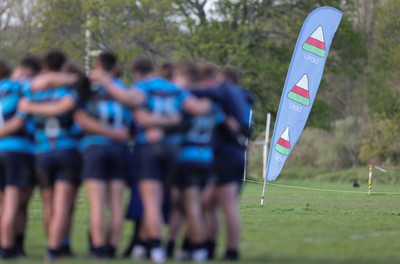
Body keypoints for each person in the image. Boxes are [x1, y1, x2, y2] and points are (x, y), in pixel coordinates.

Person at [90, 55, 210, 263]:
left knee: (151, 203)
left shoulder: (144, 87)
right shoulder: (175, 89)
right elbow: (198, 108)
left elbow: (130, 101)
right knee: (172, 201)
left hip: (148, 149)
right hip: (172, 150)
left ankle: (155, 249)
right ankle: (196, 251)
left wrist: (105, 81)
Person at [18, 50, 82, 261]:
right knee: (63, 205)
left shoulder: (32, 94)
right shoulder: (69, 93)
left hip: (41, 152)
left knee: (49, 204)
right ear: (64, 67)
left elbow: (24, 86)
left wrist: (32, 106)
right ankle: (55, 248)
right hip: (66, 150)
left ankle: (54, 244)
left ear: (45, 69)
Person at [193, 62, 254, 260]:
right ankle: (209, 246)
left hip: (227, 156)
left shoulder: (228, 98)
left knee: (227, 205)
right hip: (230, 156)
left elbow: (236, 128)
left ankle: (231, 250)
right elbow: (247, 130)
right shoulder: (242, 99)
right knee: (207, 202)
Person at [76, 51, 130, 259]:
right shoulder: (123, 89)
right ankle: (112, 247)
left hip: (95, 146)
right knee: (116, 203)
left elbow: (81, 118)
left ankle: (98, 248)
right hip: (119, 148)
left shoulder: (90, 89)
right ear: (116, 68)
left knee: (97, 204)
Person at [170, 61, 225, 262]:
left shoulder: (184, 100)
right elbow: (224, 125)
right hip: (206, 158)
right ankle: (189, 247)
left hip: (187, 158)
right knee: (194, 206)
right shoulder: (212, 103)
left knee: (189, 206)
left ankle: (198, 248)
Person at [0, 58, 38, 259]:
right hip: (17, 150)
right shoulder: (16, 87)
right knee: (13, 202)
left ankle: (13, 245)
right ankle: (8, 247)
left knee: (5, 203)